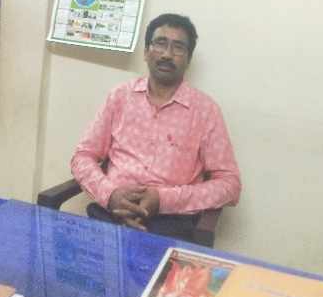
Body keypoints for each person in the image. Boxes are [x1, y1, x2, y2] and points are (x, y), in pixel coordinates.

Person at [71, 13, 241, 241]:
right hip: (110, 214)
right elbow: (83, 157)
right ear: (146, 52)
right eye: (160, 43)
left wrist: (163, 200)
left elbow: (230, 185)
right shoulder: (120, 97)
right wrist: (110, 195)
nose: (167, 54)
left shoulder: (205, 111)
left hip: (170, 223)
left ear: (188, 59)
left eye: (178, 47)